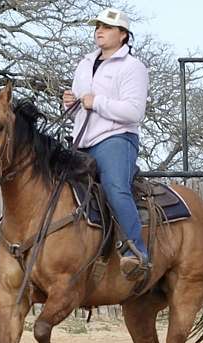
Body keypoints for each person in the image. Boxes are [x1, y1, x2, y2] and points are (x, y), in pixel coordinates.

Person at [63, 7, 150, 282]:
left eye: (107, 27)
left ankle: (137, 253)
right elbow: (81, 100)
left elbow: (134, 112)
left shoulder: (132, 68)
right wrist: (71, 102)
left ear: (123, 35)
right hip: (82, 139)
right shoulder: (85, 63)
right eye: (98, 26)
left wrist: (95, 102)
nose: (99, 31)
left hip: (116, 138)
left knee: (114, 186)